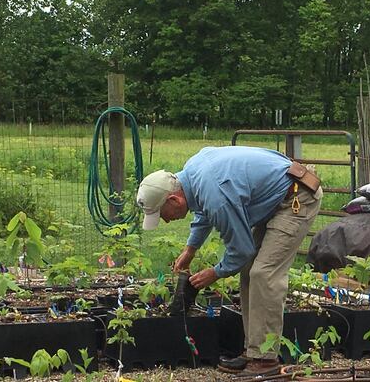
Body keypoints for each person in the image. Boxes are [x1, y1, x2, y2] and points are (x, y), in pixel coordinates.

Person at [136, 146, 323, 376]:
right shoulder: (193, 173)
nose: (165, 220)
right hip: (277, 198)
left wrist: (215, 272)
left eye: (162, 213)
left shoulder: (217, 196)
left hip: (296, 197)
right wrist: (190, 250)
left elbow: (241, 248)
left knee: (264, 274)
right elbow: (203, 212)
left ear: (174, 199)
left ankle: (266, 361)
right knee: (249, 271)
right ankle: (254, 350)